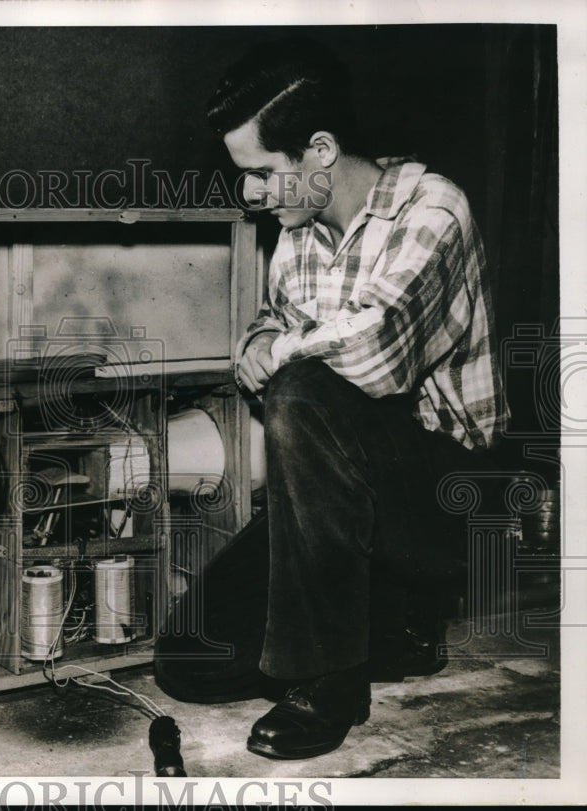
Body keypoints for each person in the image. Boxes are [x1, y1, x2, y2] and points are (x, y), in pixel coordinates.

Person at [205, 39, 509, 759]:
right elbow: (278, 323)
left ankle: (331, 678)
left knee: (306, 389)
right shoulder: (298, 233)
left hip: (446, 497)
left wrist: (280, 355)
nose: (250, 195)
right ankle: (390, 628)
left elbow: (375, 349)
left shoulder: (434, 210)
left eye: (260, 174)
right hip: (345, 502)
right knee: (195, 657)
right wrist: (257, 341)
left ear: (319, 149)